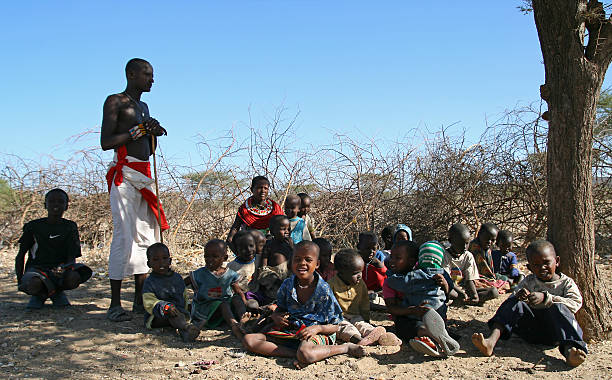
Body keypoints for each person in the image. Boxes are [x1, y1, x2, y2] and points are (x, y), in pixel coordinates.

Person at [101, 58, 168, 322]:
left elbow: (148, 149)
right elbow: (106, 141)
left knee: (146, 237)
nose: (152, 79)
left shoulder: (143, 105)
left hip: (144, 175)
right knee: (123, 236)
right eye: (146, 74)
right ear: (131, 74)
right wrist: (139, 130)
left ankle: (140, 301)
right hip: (124, 175)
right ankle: (115, 304)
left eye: (152, 75)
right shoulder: (115, 101)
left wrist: (153, 133)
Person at [241, 241, 365, 368]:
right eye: (297, 259)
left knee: (306, 353)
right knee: (249, 340)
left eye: (308, 260)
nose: (302, 263)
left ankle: (344, 348)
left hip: (317, 333)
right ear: (291, 262)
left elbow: (335, 326)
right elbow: (280, 310)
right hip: (293, 331)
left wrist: (317, 329)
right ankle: (295, 353)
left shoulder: (323, 290)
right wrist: (276, 317)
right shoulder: (287, 285)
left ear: (317, 264)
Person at [472, 240, 587, 367]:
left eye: (546, 262)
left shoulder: (566, 283)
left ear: (557, 261)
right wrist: (520, 295)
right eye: (536, 265)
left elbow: (575, 303)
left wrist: (546, 298)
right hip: (530, 331)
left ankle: (570, 351)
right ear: (529, 268)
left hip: (555, 334)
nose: (542, 267)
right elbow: (512, 302)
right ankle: (491, 342)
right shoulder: (529, 281)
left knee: (558, 307)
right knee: (514, 302)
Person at [15, 189, 92, 309]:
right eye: (51, 201)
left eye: (60, 202)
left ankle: (57, 292)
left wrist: (65, 267)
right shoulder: (33, 226)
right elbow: (20, 255)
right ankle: (40, 294)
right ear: (45, 205)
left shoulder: (70, 227)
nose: (56, 205)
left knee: (75, 276)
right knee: (33, 283)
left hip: (60, 270)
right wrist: (20, 281)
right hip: (37, 270)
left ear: (66, 206)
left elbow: (72, 257)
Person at [383, 241, 459, 356]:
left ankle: (431, 337)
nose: (391, 260)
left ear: (412, 261)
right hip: (411, 317)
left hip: (432, 317)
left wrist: (445, 285)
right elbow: (392, 308)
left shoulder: (413, 276)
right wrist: (413, 310)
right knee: (405, 325)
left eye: (397, 258)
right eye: (391, 256)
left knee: (413, 327)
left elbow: (447, 296)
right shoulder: (393, 281)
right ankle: (434, 337)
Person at [329, 249, 400, 346]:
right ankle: (359, 340)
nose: (360, 276)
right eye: (355, 273)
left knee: (362, 324)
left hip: (355, 315)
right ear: (341, 273)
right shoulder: (331, 285)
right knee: (346, 328)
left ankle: (376, 335)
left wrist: (366, 318)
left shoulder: (360, 284)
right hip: (339, 318)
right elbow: (328, 307)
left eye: (361, 272)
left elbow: (364, 302)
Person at [141, 243, 200, 342]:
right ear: (149, 264)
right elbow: (149, 302)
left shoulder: (177, 278)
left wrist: (185, 308)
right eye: (156, 260)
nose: (161, 263)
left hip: (178, 311)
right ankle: (186, 327)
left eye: (164, 258)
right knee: (172, 316)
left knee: (190, 310)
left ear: (170, 261)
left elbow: (183, 296)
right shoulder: (149, 281)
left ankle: (185, 332)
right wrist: (165, 307)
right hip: (158, 316)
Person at [186, 239, 244, 337]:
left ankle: (244, 320)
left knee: (236, 299)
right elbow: (181, 284)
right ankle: (234, 325)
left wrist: (245, 302)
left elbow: (238, 291)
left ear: (224, 258)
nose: (210, 259)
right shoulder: (199, 274)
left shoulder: (230, 274)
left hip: (225, 312)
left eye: (215, 256)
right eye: (207, 256)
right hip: (206, 311)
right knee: (222, 304)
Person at [442, 223, 497, 305]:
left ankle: (466, 300)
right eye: (461, 244)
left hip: (465, 288)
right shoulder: (445, 255)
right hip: (452, 288)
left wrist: (474, 295)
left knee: (494, 292)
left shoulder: (468, 256)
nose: (464, 247)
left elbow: (469, 279)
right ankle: (462, 299)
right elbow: (447, 280)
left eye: (467, 243)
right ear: (450, 241)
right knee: (445, 292)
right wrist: (461, 293)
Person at [226, 176, 283, 251]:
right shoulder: (244, 210)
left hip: (270, 249)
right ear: (252, 189)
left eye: (265, 188)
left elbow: (283, 228)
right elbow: (234, 231)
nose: (263, 191)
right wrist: (239, 255)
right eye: (259, 188)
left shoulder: (275, 209)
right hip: (250, 249)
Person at [249, 215, 293, 308]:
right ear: (272, 231)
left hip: (288, 276)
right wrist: (271, 277)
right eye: (283, 229)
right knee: (273, 286)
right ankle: (271, 305)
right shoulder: (269, 245)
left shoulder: (289, 244)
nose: (287, 232)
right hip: (274, 278)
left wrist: (292, 246)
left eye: (288, 229)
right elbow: (263, 267)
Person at [469, 223, 509, 293]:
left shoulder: (487, 248)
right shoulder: (475, 248)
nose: (489, 242)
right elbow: (484, 270)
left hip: (488, 276)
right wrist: (493, 279)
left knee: (504, 278)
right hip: (476, 276)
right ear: (479, 235)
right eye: (487, 239)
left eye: (493, 240)